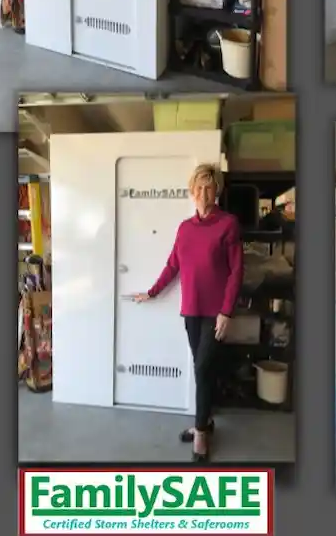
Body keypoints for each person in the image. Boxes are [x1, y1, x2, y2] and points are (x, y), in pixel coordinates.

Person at [133, 163, 243, 462]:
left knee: (203, 368)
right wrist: (152, 292)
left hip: (215, 313)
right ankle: (204, 421)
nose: (204, 193)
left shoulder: (228, 224)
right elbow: (173, 265)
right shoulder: (185, 228)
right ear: (192, 193)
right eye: (198, 188)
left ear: (216, 190)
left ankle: (201, 433)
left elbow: (236, 272)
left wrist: (227, 311)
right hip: (191, 311)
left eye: (209, 187)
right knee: (201, 368)